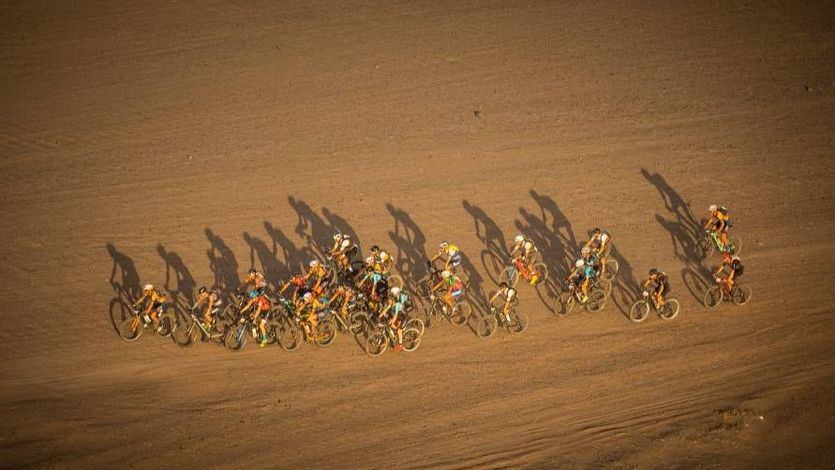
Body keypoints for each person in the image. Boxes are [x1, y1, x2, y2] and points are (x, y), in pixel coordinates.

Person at [379, 286, 409, 352]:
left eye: (389, 301)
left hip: (404, 316)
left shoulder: (397, 305)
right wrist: (380, 316)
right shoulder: (391, 304)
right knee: (391, 322)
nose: (388, 302)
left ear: (392, 300)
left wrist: (392, 322)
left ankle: (400, 345)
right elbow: (385, 310)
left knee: (399, 330)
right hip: (400, 314)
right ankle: (395, 332)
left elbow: (395, 316)